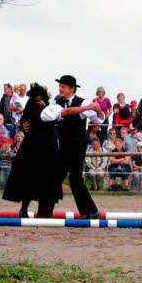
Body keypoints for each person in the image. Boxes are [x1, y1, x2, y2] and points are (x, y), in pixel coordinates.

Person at [40, 75, 103, 218]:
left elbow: (98, 117)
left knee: (75, 179)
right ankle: (45, 213)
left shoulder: (83, 101)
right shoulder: (57, 102)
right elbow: (64, 113)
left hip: (77, 146)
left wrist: (98, 110)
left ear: (71, 89)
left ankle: (90, 211)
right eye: (60, 86)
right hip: (63, 146)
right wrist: (87, 108)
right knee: (54, 178)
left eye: (63, 86)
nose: (60, 89)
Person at [2, 83, 64, 217]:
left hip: (32, 148)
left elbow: (26, 122)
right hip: (44, 150)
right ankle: (38, 210)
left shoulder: (32, 107)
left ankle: (26, 209)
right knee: (41, 180)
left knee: (28, 179)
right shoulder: (41, 107)